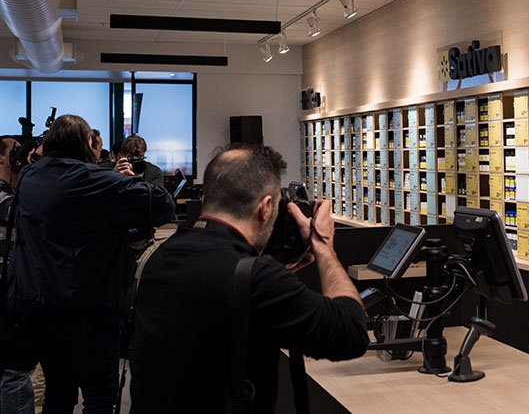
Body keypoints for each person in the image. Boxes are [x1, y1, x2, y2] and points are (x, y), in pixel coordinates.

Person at [128, 144, 368, 414]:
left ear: (207, 195)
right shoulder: (256, 280)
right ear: (266, 208)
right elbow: (351, 333)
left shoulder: (158, 256)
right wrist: (322, 244)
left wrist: (266, 273)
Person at [7, 115, 175, 414]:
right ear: (87, 144)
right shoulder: (105, 184)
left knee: (59, 393)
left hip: (41, 308)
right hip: (91, 310)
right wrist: (126, 179)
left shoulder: (31, 179)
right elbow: (162, 205)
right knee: (99, 397)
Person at [0, 136, 33, 414]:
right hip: (4, 295)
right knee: (13, 372)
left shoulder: (13, 190)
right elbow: (18, 212)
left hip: (13, 291)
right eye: (15, 151)